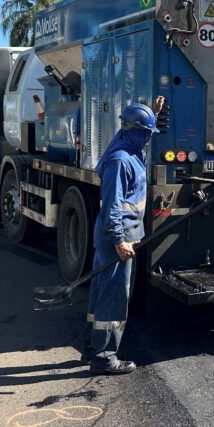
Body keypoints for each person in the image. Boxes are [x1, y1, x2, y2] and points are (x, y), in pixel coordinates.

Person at [82, 98, 162, 375]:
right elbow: (112, 206)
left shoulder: (126, 146)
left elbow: (131, 127)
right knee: (113, 295)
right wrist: (119, 240)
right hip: (115, 235)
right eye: (147, 133)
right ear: (135, 132)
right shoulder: (120, 160)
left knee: (102, 289)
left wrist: (152, 112)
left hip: (118, 234)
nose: (149, 139)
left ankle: (91, 346)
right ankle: (104, 357)